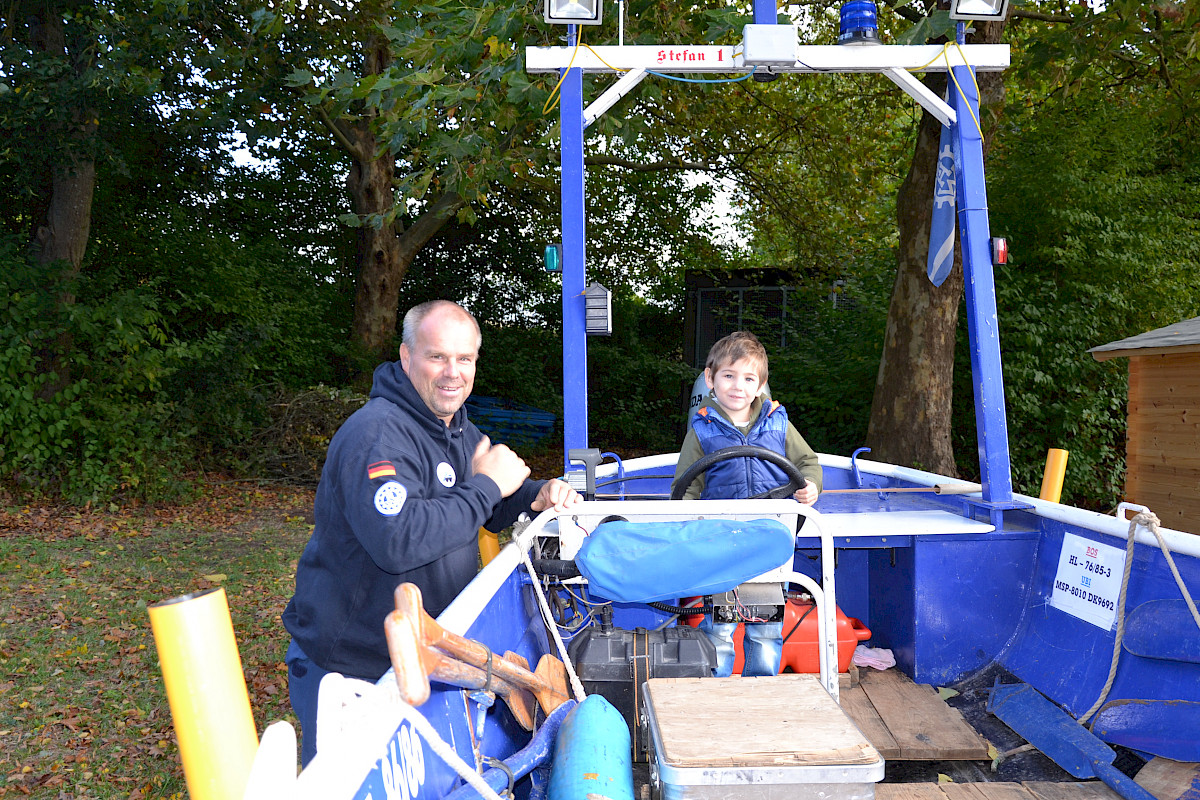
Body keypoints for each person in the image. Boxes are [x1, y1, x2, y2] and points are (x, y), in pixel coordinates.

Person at [282, 300, 581, 766]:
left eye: (465, 359)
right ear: (405, 357)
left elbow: (488, 505)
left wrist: (535, 495)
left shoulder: (455, 429)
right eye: (437, 356)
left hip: (427, 659)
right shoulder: (377, 435)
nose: (452, 372)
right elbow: (398, 539)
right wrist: (487, 485)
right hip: (355, 671)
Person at [671, 330, 822, 677]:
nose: (738, 386)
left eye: (748, 378)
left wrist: (811, 486)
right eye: (728, 375)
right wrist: (689, 528)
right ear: (710, 379)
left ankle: (762, 691)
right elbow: (687, 486)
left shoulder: (778, 423)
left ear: (761, 385)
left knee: (765, 630)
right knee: (720, 629)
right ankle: (719, 690)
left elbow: (808, 464)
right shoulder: (702, 431)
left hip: (769, 543)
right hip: (722, 544)